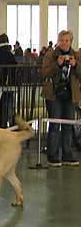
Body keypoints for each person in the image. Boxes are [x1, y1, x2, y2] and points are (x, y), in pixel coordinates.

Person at [41, 29, 81, 167]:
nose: (64, 43)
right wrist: (56, 65)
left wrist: (76, 65)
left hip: (70, 95)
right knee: (54, 124)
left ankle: (67, 154)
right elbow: (44, 73)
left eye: (67, 41)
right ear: (58, 41)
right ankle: (52, 155)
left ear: (71, 42)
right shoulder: (50, 55)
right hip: (54, 95)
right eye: (62, 40)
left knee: (68, 125)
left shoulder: (76, 55)